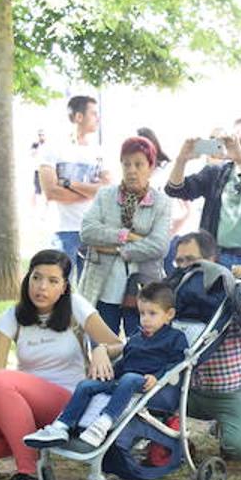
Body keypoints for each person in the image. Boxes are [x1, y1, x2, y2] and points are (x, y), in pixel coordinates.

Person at [0, 250, 122, 480]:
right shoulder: (12, 317)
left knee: (1, 381)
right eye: (36, 277)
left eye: (52, 281)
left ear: (64, 287)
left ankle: (29, 476)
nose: (42, 287)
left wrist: (101, 349)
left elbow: (119, 345)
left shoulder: (76, 306)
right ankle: (29, 442)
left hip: (68, 404)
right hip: (19, 404)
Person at [26, 282, 189, 449]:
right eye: (142, 313)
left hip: (150, 386)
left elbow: (177, 364)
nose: (145, 319)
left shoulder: (175, 338)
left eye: (152, 313)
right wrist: (107, 374)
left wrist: (157, 376)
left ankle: (103, 424)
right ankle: (62, 426)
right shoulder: (137, 338)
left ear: (169, 314)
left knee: (129, 378)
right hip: (123, 384)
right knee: (85, 385)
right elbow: (125, 361)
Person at [170, 231, 241, 461]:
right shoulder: (174, 290)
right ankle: (172, 440)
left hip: (233, 393)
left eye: (191, 260)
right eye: (179, 261)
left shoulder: (233, 289)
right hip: (187, 389)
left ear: (212, 259)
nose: (184, 267)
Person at [165, 118, 241, 294]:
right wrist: (181, 160)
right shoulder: (215, 172)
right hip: (217, 258)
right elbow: (176, 189)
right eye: (236, 133)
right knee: (214, 307)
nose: (239, 138)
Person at [77, 136, 172, 337]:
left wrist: (118, 250)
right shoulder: (105, 195)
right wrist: (125, 235)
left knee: (141, 345)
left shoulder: (161, 202)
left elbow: (159, 246)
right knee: (101, 344)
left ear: (151, 167)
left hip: (144, 289)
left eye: (138, 164)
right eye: (126, 164)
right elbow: (87, 231)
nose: (131, 170)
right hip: (103, 287)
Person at [38, 95, 109, 272]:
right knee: (60, 283)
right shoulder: (52, 148)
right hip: (61, 230)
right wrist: (91, 192)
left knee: (90, 287)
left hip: (92, 231)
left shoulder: (99, 152)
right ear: (78, 117)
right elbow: (51, 192)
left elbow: (107, 190)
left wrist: (69, 183)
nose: (98, 118)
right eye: (93, 113)